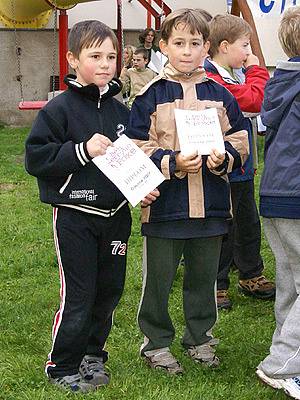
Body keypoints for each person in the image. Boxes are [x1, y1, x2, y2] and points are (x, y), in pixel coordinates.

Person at [25, 20, 158, 393]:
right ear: (72, 59)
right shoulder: (59, 109)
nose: (105, 64)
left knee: (109, 291)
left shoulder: (120, 111)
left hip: (115, 218)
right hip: (75, 218)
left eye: (112, 56)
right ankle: (62, 364)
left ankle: (92, 355)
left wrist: (140, 188)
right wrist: (82, 151)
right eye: (95, 56)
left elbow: (128, 160)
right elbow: (36, 158)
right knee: (80, 293)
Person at [127, 8, 249, 374]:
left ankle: (200, 338)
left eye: (195, 43)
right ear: (164, 46)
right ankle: (156, 344)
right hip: (165, 209)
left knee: (203, 279)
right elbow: (135, 146)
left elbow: (241, 139)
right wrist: (173, 161)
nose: (187, 50)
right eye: (179, 43)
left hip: (210, 208)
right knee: (158, 282)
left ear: (207, 48)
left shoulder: (221, 95)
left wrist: (222, 157)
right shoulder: (151, 95)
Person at [204, 14, 275, 310]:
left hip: (242, 166)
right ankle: (217, 282)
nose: (248, 52)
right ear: (224, 46)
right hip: (219, 166)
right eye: (244, 45)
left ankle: (250, 272)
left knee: (247, 221)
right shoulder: (212, 79)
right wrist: (257, 70)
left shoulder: (233, 75)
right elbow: (255, 100)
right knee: (222, 223)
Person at [255, 6, 300, 400]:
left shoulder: (281, 79)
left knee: (290, 282)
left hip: (275, 194)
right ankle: (283, 364)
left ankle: (287, 353)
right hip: (297, 194)